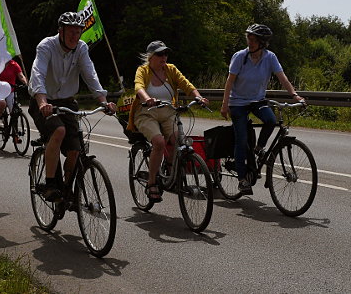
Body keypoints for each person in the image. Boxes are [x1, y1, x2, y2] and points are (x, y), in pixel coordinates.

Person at [28, 12, 117, 201]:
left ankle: (67, 191)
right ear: (60, 31)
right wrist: (43, 102)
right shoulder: (46, 46)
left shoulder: (81, 48)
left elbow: (90, 75)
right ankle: (51, 183)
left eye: (78, 33)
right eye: (70, 32)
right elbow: (38, 74)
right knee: (58, 131)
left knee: (75, 149)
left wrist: (103, 102)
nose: (74, 37)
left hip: (67, 102)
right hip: (44, 101)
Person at [221, 24, 305, 195]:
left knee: (271, 120)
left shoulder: (270, 57)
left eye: (254, 40)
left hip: (257, 100)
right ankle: (243, 180)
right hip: (237, 102)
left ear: (262, 43)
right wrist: (224, 105)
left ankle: (258, 149)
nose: (250, 43)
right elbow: (229, 82)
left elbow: (283, 78)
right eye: (249, 39)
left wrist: (295, 95)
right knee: (242, 139)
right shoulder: (240, 57)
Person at [127, 41, 209, 203]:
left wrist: (198, 97)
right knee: (158, 142)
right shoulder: (143, 70)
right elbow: (139, 87)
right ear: (151, 56)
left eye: (165, 53)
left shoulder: (171, 69)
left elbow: (186, 84)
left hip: (168, 111)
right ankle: (151, 183)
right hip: (146, 112)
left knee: (179, 140)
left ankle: (170, 169)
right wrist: (147, 98)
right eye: (159, 54)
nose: (163, 57)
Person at [0, 59, 28, 142]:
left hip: (10, 90)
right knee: (2, 103)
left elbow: (21, 75)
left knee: (14, 111)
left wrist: (26, 83)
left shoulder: (14, 64)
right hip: (0, 90)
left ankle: (15, 134)